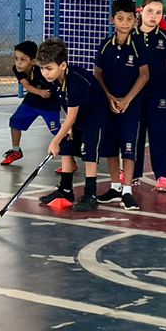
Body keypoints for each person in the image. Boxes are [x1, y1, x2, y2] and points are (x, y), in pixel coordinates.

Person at [36, 37, 107, 211]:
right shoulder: (54, 79)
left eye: (49, 68)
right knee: (67, 146)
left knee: (89, 151)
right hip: (77, 114)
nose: (45, 73)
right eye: (42, 68)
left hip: (94, 116)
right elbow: (66, 106)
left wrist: (55, 140)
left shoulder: (75, 81)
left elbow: (72, 115)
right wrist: (67, 132)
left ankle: (90, 194)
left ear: (63, 65)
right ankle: (66, 190)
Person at [93, 0, 149, 209]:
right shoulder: (105, 46)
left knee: (128, 148)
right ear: (112, 20)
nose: (124, 23)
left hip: (130, 107)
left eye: (129, 19)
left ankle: (127, 190)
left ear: (135, 21)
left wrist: (127, 100)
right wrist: (108, 97)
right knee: (109, 147)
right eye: (120, 18)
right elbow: (98, 74)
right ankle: (115, 187)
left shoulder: (138, 47)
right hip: (109, 106)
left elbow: (144, 75)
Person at [131, 0, 166, 192]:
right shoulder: (130, 36)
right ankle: (131, 173)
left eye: (159, 13)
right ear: (141, 11)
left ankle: (163, 176)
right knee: (134, 134)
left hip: (160, 94)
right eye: (150, 11)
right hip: (135, 95)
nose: (154, 16)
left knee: (160, 135)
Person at [2, 39, 60, 166]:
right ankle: (16, 151)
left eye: (23, 59)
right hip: (32, 100)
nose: (18, 63)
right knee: (15, 121)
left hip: (49, 104)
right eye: (16, 58)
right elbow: (26, 85)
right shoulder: (16, 69)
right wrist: (40, 93)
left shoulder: (42, 71)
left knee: (57, 131)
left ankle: (69, 160)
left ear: (33, 61)